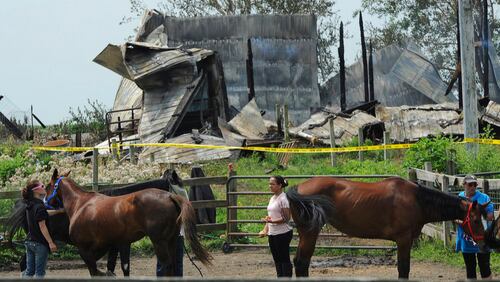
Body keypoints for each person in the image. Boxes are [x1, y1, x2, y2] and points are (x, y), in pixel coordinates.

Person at [22, 180, 64, 278]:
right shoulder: (39, 206)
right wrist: (50, 243)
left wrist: (58, 211)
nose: (44, 187)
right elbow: (42, 226)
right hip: (39, 244)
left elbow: (43, 214)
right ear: (36, 191)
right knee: (39, 273)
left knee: (29, 272)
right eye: (42, 186)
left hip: (29, 242)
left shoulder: (30, 204)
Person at [455, 174, 494, 280]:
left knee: (485, 267)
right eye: (470, 184)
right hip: (466, 240)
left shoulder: (484, 198)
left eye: (475, 184)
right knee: (470, 268)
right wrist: (460, 221)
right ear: (464, 185)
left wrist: (480, 211)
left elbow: (490, 217)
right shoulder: (459, 198)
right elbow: (455, 217)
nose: (472, 187)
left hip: (482, 239)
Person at [259, 175, 293, 277]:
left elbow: (287, 218)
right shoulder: (273, 198)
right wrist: (265, 230)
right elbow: (270, 217)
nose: (270, 186)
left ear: (280, 185)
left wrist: (272, 221)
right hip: (273, 233)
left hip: (283, 233)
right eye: (269, 184)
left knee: (284, 258)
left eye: (272, 184)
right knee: (277, 259)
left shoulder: (284, 199)